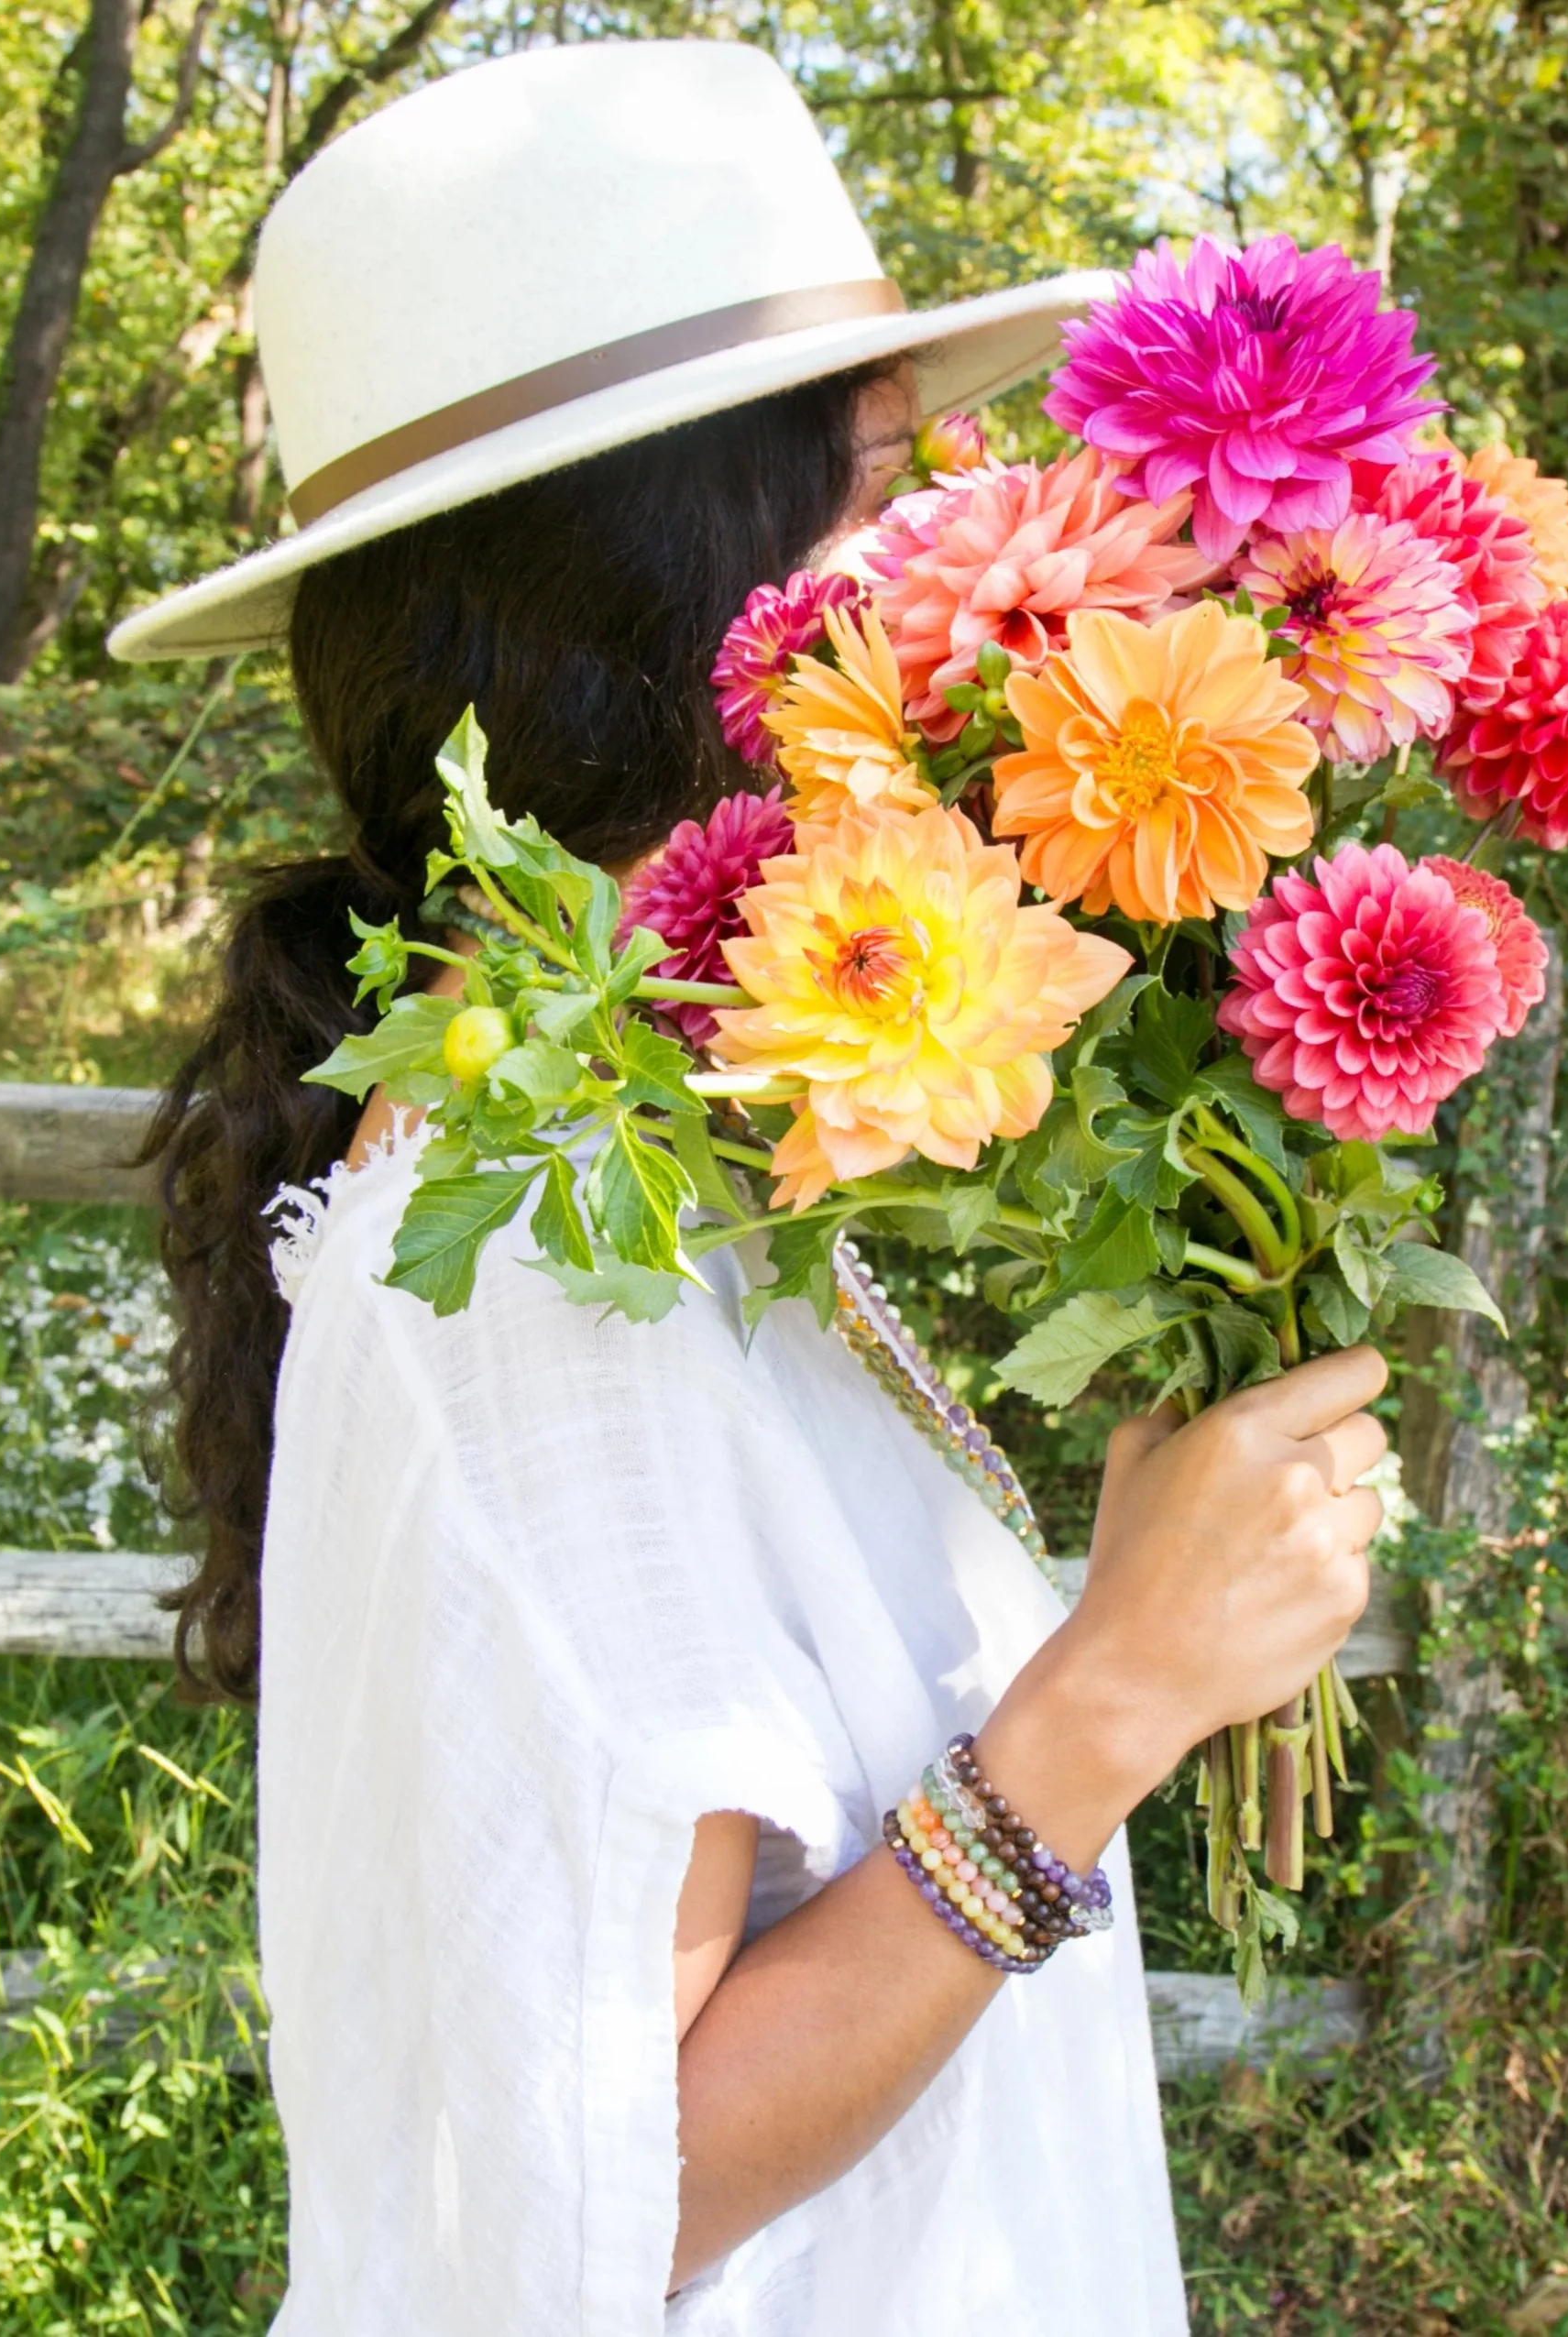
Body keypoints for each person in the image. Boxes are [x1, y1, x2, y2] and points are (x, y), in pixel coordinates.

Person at [116, 39, 1386, 2337]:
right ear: (672, 573)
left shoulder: (633, 1152)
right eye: (887, 484)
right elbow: (626, 2175)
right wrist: (1115, 1692)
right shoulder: (519, 1257)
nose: (968, 560)